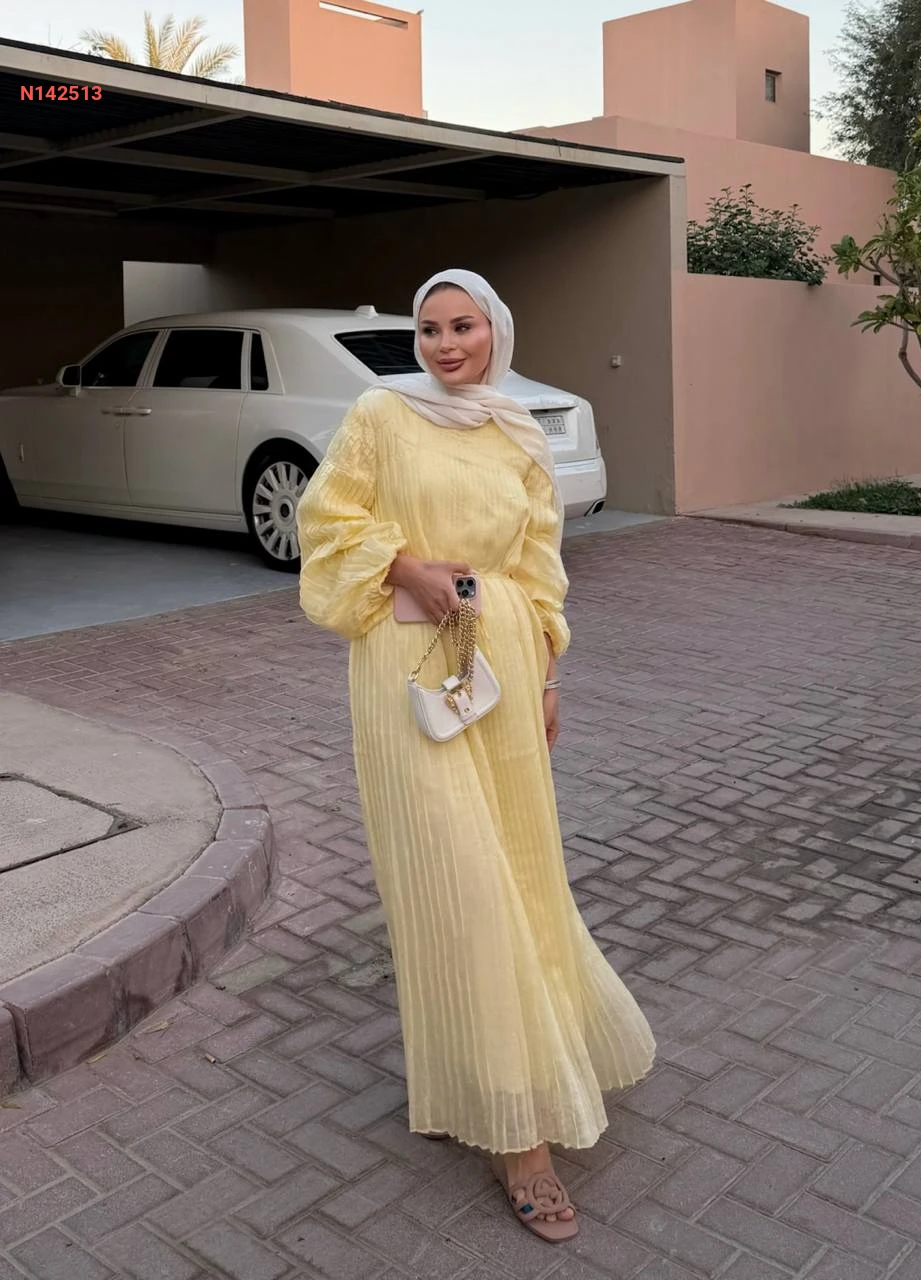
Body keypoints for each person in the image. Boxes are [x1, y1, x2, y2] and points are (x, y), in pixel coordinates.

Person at [296, 268, 655, 1241]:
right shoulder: (381, 414)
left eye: (463, 325)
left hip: (499, 666)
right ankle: (518, 1134)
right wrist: (405, 565)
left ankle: (509, 1068)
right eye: (430, 328)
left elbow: (539, 568)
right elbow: (325, 519)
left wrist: (548, 677)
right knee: (456, 879)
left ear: (495, 330)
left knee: (521, 872)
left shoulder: (518, 431)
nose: (447, 344)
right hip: (404, 662)